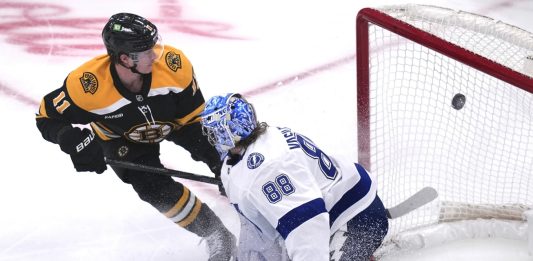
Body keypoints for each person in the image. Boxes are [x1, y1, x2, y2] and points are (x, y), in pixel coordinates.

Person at [35, 13, 236, 261]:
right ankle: (215, 232)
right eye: (146, 51)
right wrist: (73, 141)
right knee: (151, 187)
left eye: (154, 46)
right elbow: (46, 117)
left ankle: (257, 211)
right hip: (121, 138)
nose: (155, 55)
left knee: (227, 161)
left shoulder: (174, 65)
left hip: (176, 121)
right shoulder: (88, 86)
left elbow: (196, 120)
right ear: (124, 59)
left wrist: (219, 161)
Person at [200, 93, 389, 261]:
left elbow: (307, 227)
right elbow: (259, 229)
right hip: (328, 214)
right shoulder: (241, 157)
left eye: (214, 131)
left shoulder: (269, 169)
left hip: (357, 219)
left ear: (229, 131)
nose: (210, 137)